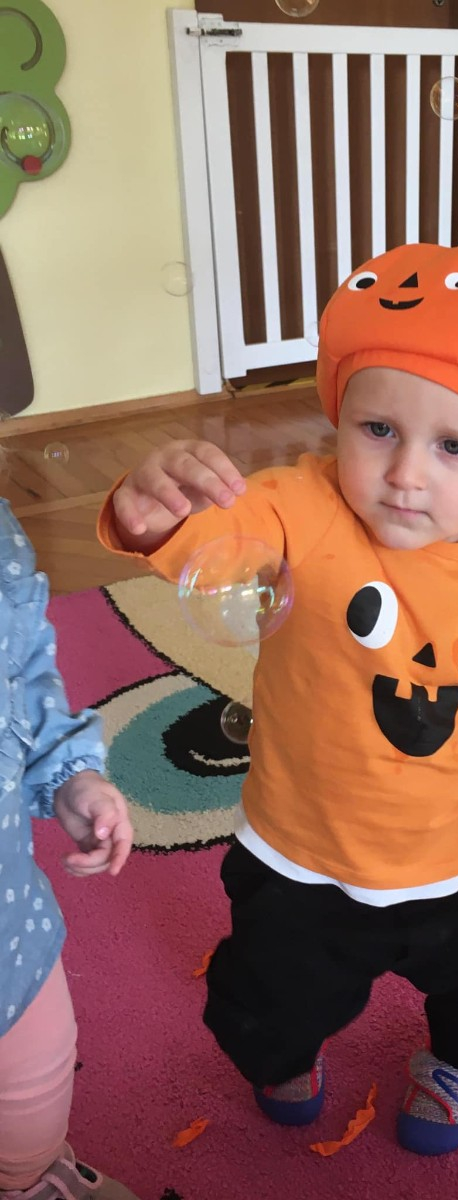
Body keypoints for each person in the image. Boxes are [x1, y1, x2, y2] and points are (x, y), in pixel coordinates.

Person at [98, 238, 458, 1156]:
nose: (406, 473)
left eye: (453, 445)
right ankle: (285, 1052)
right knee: (271, 995)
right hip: (300, 853)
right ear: (338, 416)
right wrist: (154, 515)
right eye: (377, 429)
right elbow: (209, 536)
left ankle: (455, 1060)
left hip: (455, 850)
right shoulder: (297, 506)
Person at [0, 499, 138, 1198]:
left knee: (36, 1085)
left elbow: (22, 670)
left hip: (10, 937)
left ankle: (29, 1178)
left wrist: (68, 775)